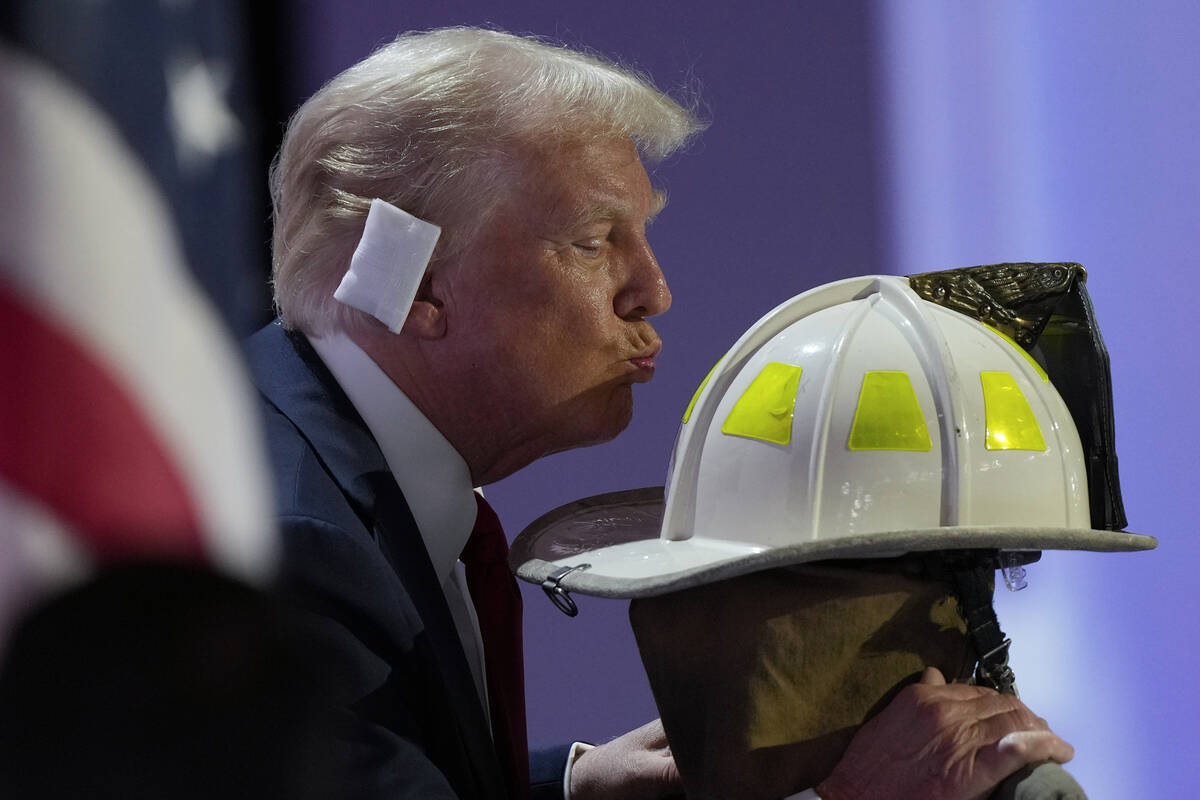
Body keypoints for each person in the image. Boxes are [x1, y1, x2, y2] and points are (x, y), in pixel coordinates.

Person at [247, 27, 1085, 800]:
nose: (654, 291)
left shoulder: (309, 462)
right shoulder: (289, 551)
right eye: (592, 240)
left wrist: (570, 787)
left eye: (640, 234)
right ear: (421, 286)